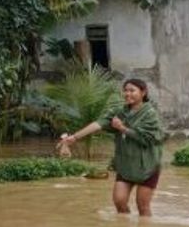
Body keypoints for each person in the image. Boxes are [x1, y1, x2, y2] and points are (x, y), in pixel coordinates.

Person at [57, 78, 166, 217]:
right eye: (125, 90)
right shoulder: (119, 111)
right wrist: (74, 137)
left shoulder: (150, 114)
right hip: (126, 165)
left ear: (143, 92)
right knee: (119, 202)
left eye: (132, 90)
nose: (128, 93)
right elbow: (98, 124)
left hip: (148, 167)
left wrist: (122, 128)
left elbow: (148, 139)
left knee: (143, 207)